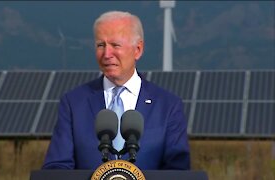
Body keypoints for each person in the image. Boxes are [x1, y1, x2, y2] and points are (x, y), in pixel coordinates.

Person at [42, 10, 190, 170]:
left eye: (115, 45)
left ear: (138, 49)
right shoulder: (74, 103)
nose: (107, 54)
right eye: (100, 45)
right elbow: (57, 166)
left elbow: (178, 170)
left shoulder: (168, 106)